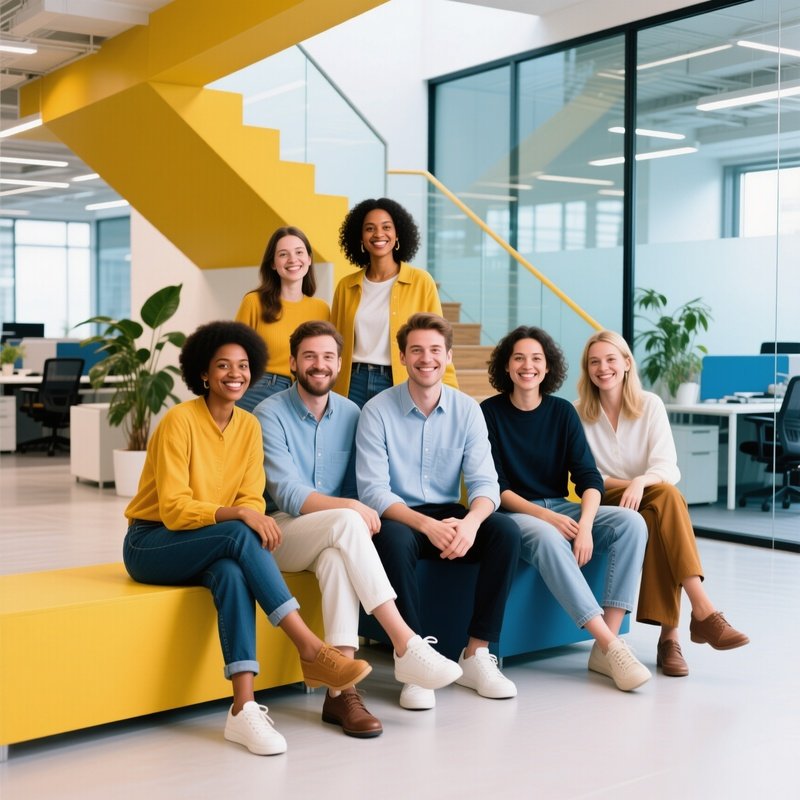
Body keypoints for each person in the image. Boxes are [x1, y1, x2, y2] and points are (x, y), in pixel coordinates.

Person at [122, 321, 371, 756]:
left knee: (231, 574)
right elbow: (175, 509)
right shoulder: (178, 423)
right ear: (204, 373)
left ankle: (243, 708)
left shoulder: (249, 427)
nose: (234, 374)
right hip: (152, 542)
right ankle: (310, 646)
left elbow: (251, 496)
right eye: (222, 366)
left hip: (213, 540)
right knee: (239, 529)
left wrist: (244, 512)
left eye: (242, 366)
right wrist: (239, 514)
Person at [254, 320, 461, 737]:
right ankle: (405, 642)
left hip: (331, 534)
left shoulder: (351, 413)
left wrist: (350, 506)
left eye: (328, 357)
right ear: (293, 362)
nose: (319, 365)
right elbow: (289, 493)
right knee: (348, 520)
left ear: (339, 363)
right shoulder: (268, 414)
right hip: (279, 533)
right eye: (309, 356)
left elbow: (355, 486)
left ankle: (341, 693)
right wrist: (349, 507)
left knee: (336, 557)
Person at [356, 312, 521, 710]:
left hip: (450, 514)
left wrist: (470, 523)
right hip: (401, 514)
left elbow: (486, 485)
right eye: (416, 350)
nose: (425, 358)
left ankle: (477, 654)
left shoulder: (467, 410)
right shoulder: (376, 410)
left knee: (505, 532)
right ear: (402, 357)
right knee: (391, 539)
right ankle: (414, 661)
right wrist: (425, 525)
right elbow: (373, 490)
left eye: (434, 350)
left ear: (447, 357)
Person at [480, 326, 651, 692]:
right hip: (514, 513)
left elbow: (590, 478)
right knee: (546, 535)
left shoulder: (561, 412)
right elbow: (497, 488)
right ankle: (609, 643)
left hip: (561, 506)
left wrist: (586, 525)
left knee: (631, 523)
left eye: (537, 359)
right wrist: (545, 516)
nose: (528, 366)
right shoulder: (488, 413)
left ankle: (608, 642)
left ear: (548, 367)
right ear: (507, 367)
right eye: (519, 358)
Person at [576, 329, 749, 677]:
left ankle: (674, 634)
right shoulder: (578, 413)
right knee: (668, 498)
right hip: (602, 497)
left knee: (660, 508)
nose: (602, 368)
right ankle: (692, 620)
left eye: (611, 359)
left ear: (627, 363)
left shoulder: (650, 404)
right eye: (594, 362)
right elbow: (586, 473)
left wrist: (641, 482)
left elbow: (667, 466)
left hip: (648, 494)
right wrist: (632, 485)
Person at [331, 197, 457, 407]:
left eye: (386, 227)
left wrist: (450, 390)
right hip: (352, 382)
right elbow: (334, 344)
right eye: (369, 228)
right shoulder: (346, 286)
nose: (378, 234)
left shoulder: (421, 282)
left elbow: (439, 338)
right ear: (360, 238)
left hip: (398, 380)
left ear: (397, 234)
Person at [234, 226, 330, 412]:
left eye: (299, 252)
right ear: (273, 263)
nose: (293, 259)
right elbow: (234, 353)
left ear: (309, 259)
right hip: (260, 389)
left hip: (305, 393)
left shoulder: (322, 309)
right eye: (283, 254)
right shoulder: (254, 302)